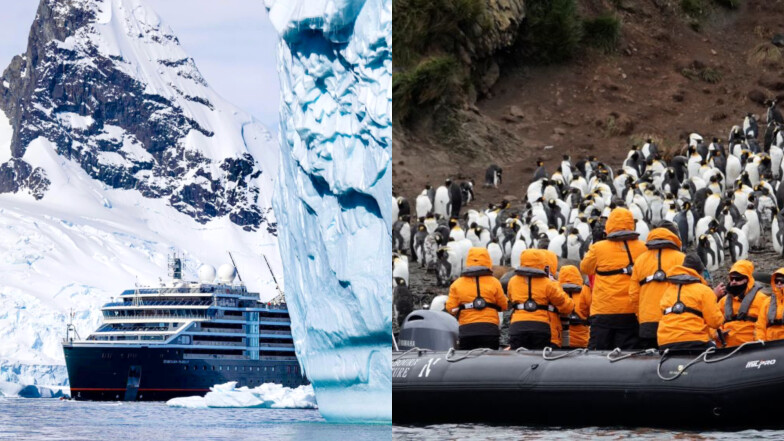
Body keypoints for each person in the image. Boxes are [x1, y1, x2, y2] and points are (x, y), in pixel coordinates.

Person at [581, 207, 647, 350]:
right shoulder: (643, 248)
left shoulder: (598, 248)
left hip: (603, 312)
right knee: (629, 357)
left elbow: (585, 268)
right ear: (632, 224)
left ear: (609, 224)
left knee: (597, 357)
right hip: (632, 313)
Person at [629, 222, 685, 349]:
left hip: (647, 322)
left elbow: (633, 294)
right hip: (674, 321)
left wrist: (641, 315)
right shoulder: (681, 258)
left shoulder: (640, 260)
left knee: (648, 360)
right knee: (673, 361)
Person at [507, 249, 573, 350]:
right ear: (542, 262)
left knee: (518, 361)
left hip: (517, 325)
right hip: (540, 326)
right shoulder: (548, 283)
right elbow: (565, 305)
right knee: (538, 359)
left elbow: (511, 299)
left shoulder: (512, 281)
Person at [658, 254, 725, 351]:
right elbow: (715, 322)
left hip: (665, 342)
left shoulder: (668, 291)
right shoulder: (704, 290)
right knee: (717, 352)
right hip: (694, 341)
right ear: (700, 272)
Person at [445, 247, 508, 350]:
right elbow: (504, 305)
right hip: (490, 330)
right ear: (487, 260)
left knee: (467, 361)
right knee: (490, 362)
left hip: (467, 330)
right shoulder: (494, 282)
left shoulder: (457, 284)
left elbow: (451, 308)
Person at [717, 260, 766, 347]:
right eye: (732, 278)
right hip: (727, 348)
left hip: (750, 347)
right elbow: (714, 322)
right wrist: (718, 332)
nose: (734, 281)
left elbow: (764, 325)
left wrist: (761, 345)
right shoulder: (723, 301)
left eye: (738, 278)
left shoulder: (761, 299)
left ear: (747, 279)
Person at [558, 265, 591, 348]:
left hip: (561, 342)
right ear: (578, 276)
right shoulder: (585, 292)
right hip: (583, 342)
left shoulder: (556, 293)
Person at [755, 269, 784, 342]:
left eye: (782, 280)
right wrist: (760, 341)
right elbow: (760, 326)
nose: (779, 283)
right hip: (770, 344)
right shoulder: (767, 302)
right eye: (776, 281)